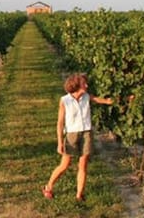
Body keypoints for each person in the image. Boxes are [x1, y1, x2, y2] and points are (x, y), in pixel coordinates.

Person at [42, 73, 113, 202]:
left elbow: (104, 100)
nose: (86, 85)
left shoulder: (86, 97)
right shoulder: (65, 100)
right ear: (76, 85)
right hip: (71, 135)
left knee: (83, 164)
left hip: (86, 133)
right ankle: (48, 186)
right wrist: (60, 142)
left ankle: (79, 194)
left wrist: (124, 99)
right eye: (84, 83)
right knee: (65, 164)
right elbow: (60, 123)